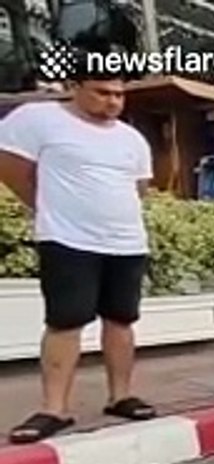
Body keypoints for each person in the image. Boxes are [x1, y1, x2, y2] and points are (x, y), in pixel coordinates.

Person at [0, 74, 159, 444]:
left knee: (121, 318)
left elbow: (139, 189)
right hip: (67, 239)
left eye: (120, 94)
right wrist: (43, 205)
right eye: (103, 92)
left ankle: (120, 395)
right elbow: (10, 166)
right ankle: (54, 408)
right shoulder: (39, 118)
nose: (113, 101)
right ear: (76, 87)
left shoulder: (130, 138)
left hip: (126, 243)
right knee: (65, 321)